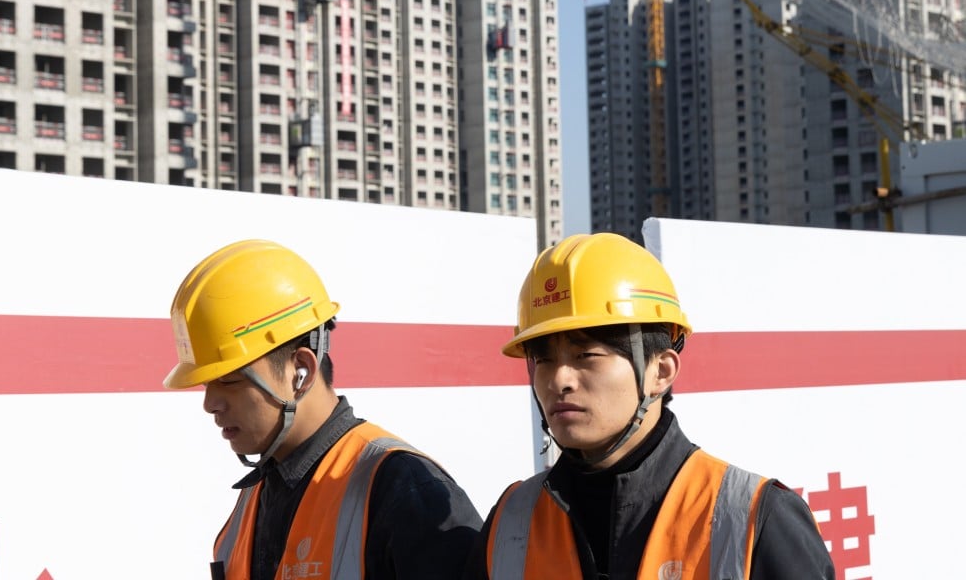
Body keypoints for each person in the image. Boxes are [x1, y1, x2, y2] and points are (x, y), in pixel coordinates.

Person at [463, 232, 834, 580]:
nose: (559, 380)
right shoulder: (511, 521)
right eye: (542, 360)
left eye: (586, 355)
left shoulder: (756, 518)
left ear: (660, 371)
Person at [164, 239, 482, 580]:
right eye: (205, 383)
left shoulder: (406, 491)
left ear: (300, 370)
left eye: (228, 379)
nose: (209, 403)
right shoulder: (255, 498)